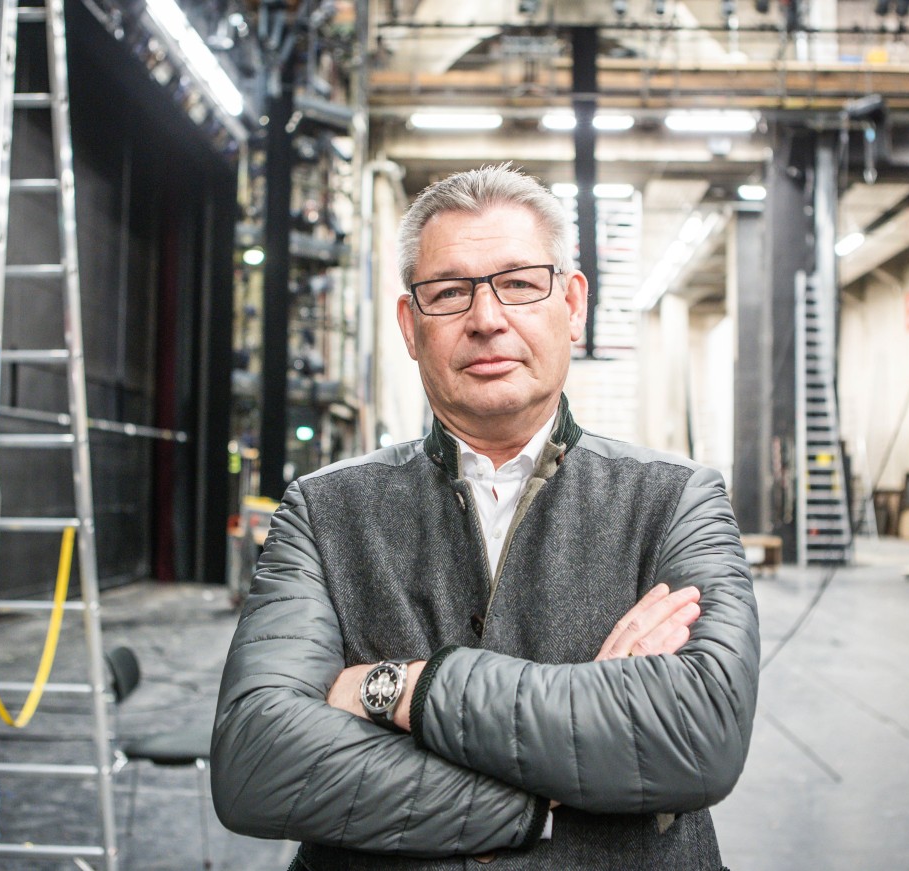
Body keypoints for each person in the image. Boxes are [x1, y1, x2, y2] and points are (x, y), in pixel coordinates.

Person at [212, 164, 761, 871]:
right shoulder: (323, 511)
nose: (487, 318)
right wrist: (549, 792)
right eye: (449, 292)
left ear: (573, 303)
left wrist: (399, 688)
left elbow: (696, 737)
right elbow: (259, 762)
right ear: (411, 325)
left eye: (520, 282)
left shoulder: (677, 499)